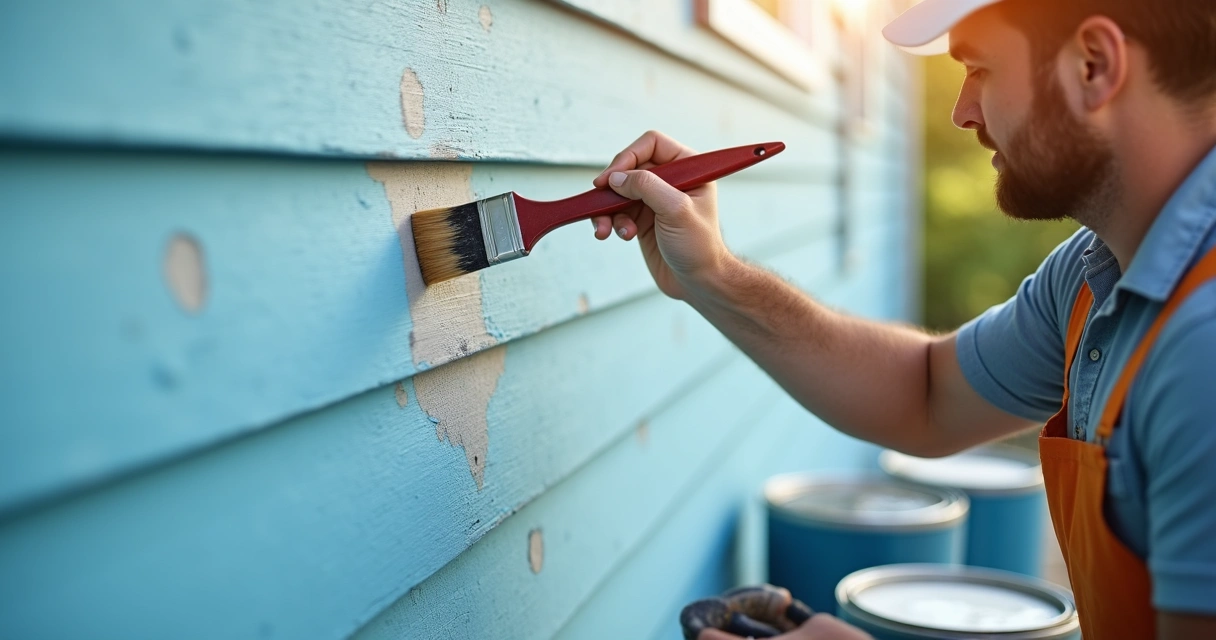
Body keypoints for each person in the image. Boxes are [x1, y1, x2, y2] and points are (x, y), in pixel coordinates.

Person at [589, 0, 1216, 637]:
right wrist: (713, 274)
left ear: (1094, 66)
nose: (961, 110)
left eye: (981, 69)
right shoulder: (1093, 273)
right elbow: (926, 393)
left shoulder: (1203, 349)